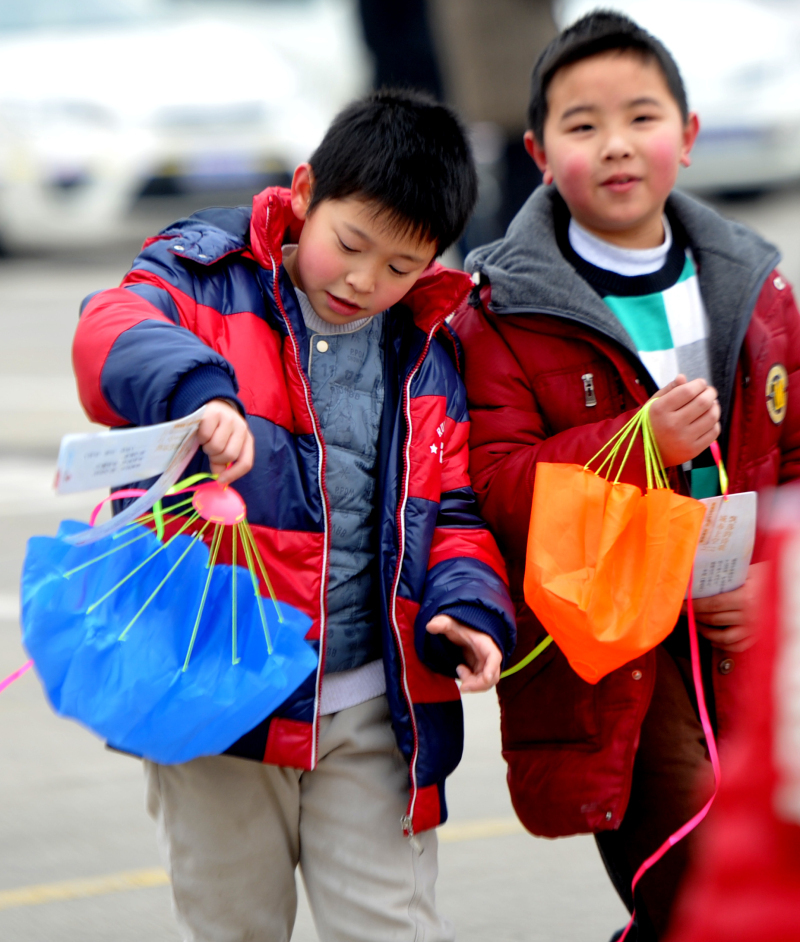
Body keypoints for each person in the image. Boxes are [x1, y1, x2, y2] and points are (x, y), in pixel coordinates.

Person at [72, 89, 516, 942]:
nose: (365, 280)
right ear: (306, 192)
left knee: (391, 926)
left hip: (374, 703)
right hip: (218, 696)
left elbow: (449, 503)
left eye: (401, 266)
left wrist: (466, 604)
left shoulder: (428, 347)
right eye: (351, 244)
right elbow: (109, 330)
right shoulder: (204, 276)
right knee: (235, 923)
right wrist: (195, 391)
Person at [452, 11, 800, 941]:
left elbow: (795, 459)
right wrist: (635, 442)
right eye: (581, 125)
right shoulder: (502, 310)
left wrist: (774, 583)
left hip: (750, 651)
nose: (615, 145)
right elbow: (494, 487)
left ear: (685, 138)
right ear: (536, 151)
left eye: (641, 117)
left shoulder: (754, 284)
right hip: (618, 666)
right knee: (690, 888)